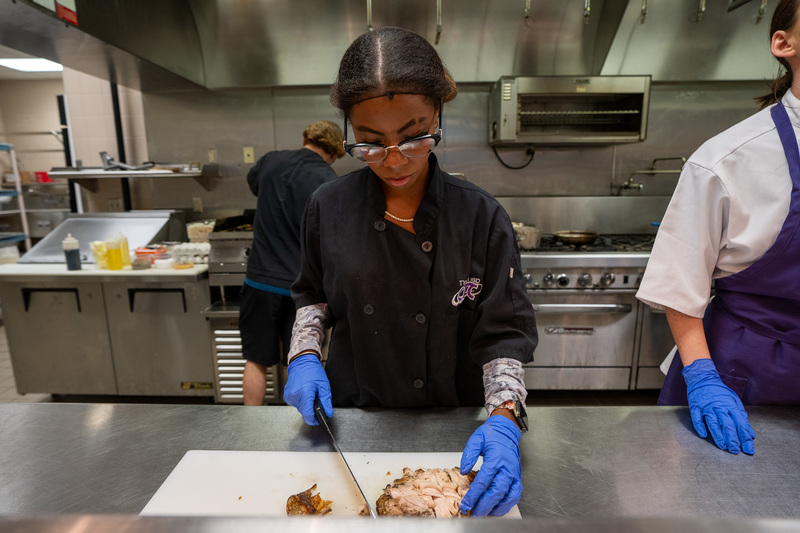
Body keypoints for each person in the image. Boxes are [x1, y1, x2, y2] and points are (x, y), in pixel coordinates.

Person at [281, 26, 538, 517]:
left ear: (439, 114)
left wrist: (504, 419)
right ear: (349, 130)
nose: (395, 160)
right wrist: (303, 354)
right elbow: (313, 296)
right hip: (353, 418)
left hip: (458, 426)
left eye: (414, 135)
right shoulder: (327, 207)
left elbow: (503, 333)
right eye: (372, 143)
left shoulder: (480, 218)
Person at [637, 0, 800, 456]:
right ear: (783, 43)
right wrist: (704, 379)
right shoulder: (727, 159)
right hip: (743, 374)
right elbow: (679, 283)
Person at [240, 120, 344, 406]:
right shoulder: (327, 178)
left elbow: (255, 186)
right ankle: (294, 434)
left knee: (256, 361)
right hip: (302, 290)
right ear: (334, 152)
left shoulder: (271, 161)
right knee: (297, 361)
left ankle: (249, 432)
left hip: (260, 281)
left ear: (304, 138)